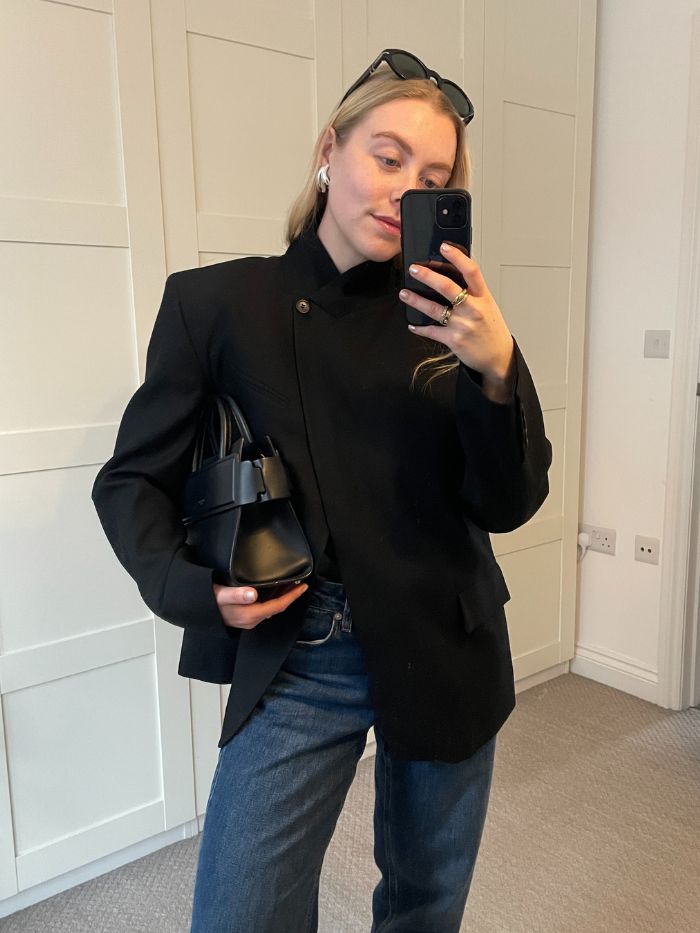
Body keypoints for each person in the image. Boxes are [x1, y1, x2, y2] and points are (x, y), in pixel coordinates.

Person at [92, 48, 552, 933]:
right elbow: (130, 481)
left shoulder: (453, 320)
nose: (403, 191)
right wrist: (194, 592)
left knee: (424, 901)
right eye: (387, 157)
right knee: (242, 913)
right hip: (303, 643)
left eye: (433, 176)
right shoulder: (217, 304)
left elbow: (506, 502)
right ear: (328, 150)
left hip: (443, 630)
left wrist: (498, 373)